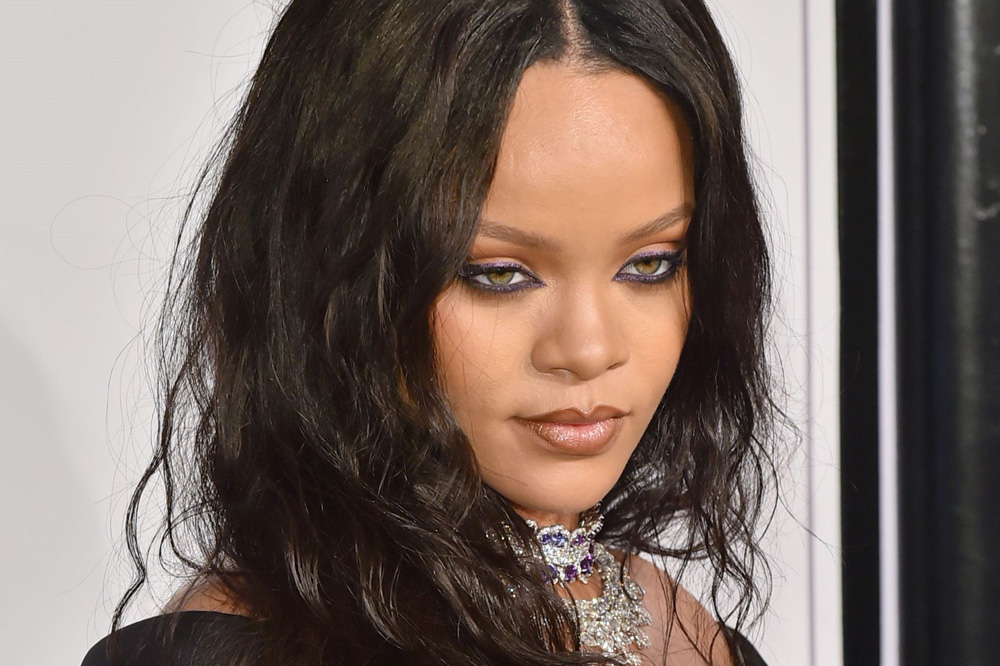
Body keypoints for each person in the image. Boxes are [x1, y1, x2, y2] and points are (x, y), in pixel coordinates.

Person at [81, 0, 781, 664]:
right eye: (499, 274)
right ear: (337, 272)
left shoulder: (691, 636)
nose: (589, 350)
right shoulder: (224, 653)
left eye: (650, 264)